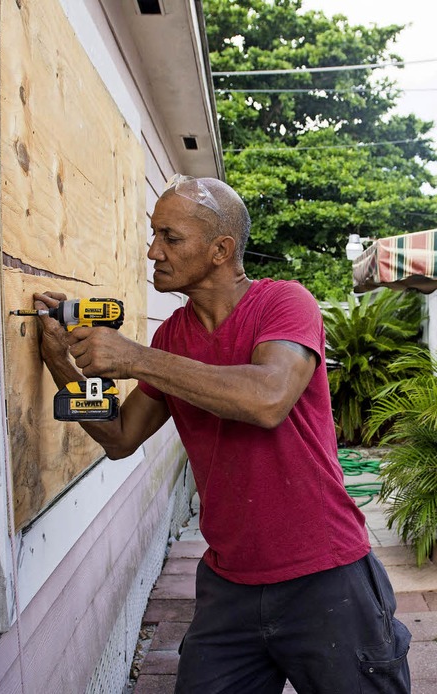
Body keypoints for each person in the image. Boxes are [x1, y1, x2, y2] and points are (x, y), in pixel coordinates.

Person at [34, 175, 411, 693]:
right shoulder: (173, 336)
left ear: (220, 250)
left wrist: (136, 357)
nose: (152, 251)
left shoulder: (284, 303)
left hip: (325, 574)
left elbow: (267, 398)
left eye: (170, 237)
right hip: (228, 584)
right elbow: (120, 437)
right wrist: (63, 367)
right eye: (153, 235)